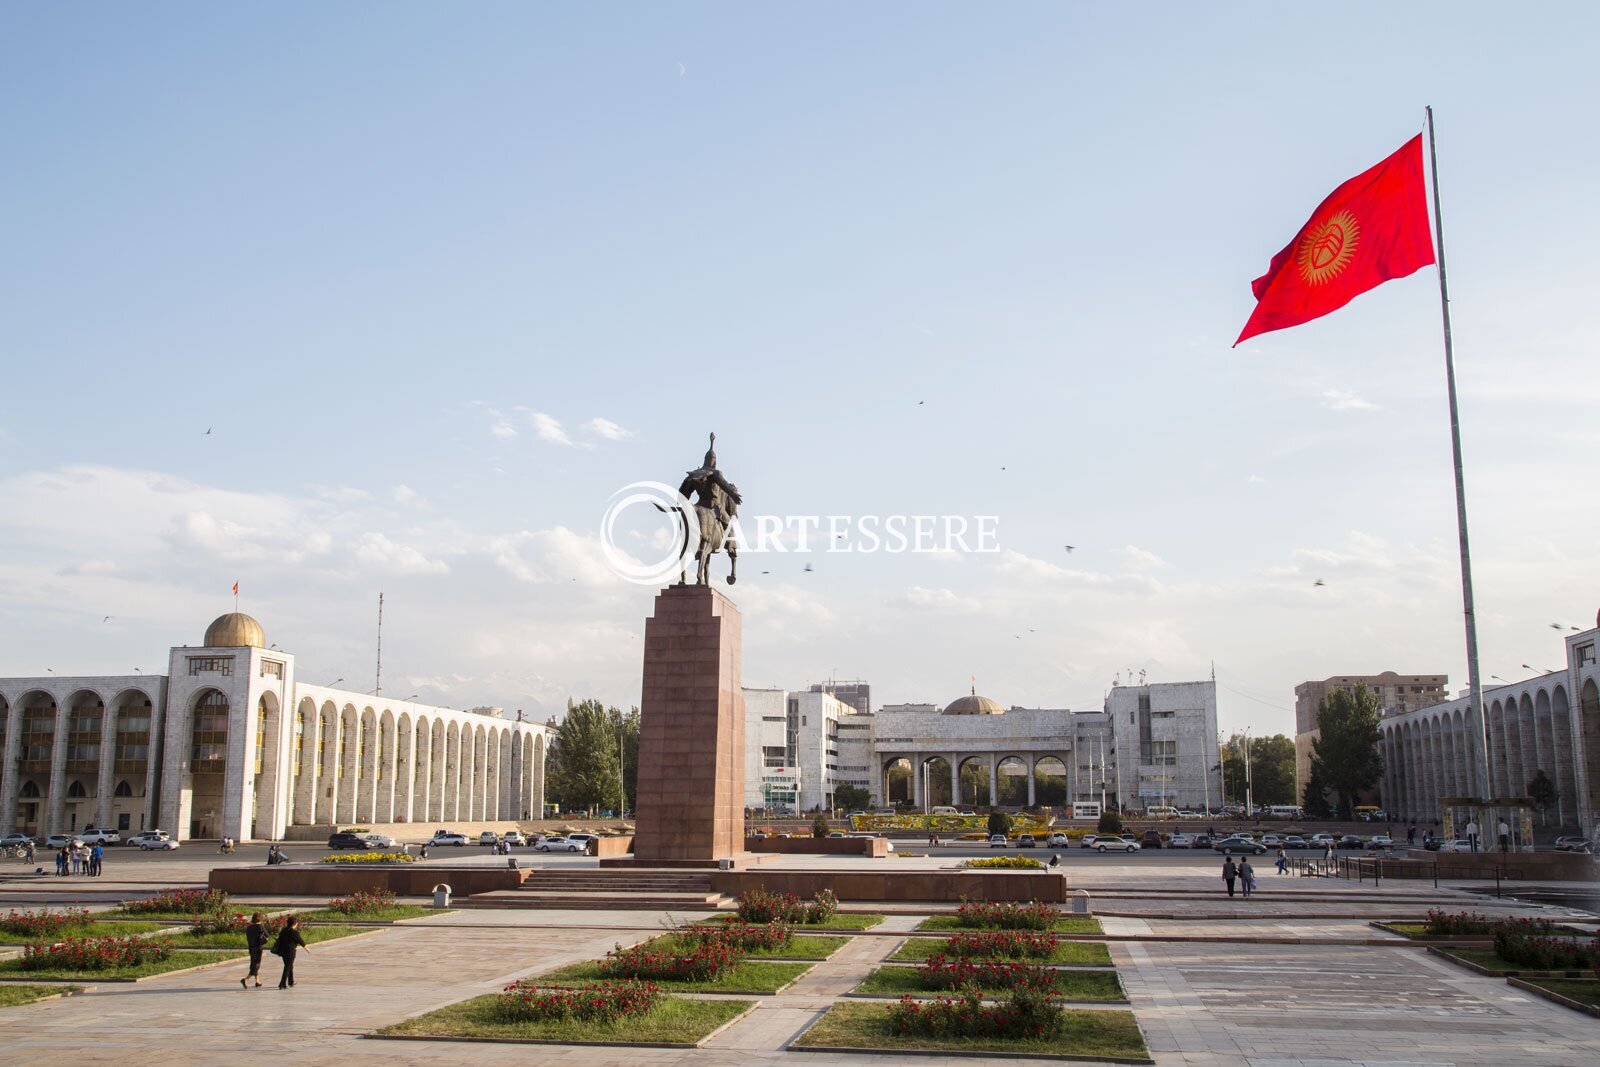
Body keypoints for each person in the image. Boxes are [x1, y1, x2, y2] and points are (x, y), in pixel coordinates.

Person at [272, 915, 309, 989]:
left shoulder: (283, 931)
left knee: (289, 966)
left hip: (283, 951)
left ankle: (291, 981)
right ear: (294, 924)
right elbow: (300, 941)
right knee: (287, 967)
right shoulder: (294, 932)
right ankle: (282, 984)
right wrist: (306, 948)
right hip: (290, 952)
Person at [242, 913, 268, 988]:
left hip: (251, 947)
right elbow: (267, 935)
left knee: (253, 962)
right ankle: (246, 979)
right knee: (256, 964)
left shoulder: (249, 927)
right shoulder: (260, 927)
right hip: (258, 947)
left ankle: (257, 981)